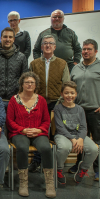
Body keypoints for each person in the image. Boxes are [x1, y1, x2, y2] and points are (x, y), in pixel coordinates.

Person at [70, 39, 100, 182]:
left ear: (95, 51)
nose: (86, 51)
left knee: (99, 141)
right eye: (84, 49)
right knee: (80, 140)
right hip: (79, 112)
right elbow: (70, 87)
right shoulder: (76, 68)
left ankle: (99, 170)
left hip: (97, 111)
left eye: (89, 49)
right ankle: (79, 164)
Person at [6, 72, 55, 198]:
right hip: (19, 133)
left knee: (45, 148)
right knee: (22, 148)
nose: (29, 84)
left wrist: (39, 130)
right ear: (21, 84)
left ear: (36, 85)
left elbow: (46, 120)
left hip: (38, 133)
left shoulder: (42, 100)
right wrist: (23, 130)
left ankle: (49, 183)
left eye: (32, 82)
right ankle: (23, 182)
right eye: (27, 82)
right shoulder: (14, 100)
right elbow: (10, 121)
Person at [28, 34, 70, 172]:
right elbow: (29, 83)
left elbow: (66, 85)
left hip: (56, 103)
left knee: (53, 134)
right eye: (45, 43)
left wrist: (61, 101)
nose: (47, 45)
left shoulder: (62, 63)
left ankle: (51, 163)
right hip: (38, 103)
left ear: (54, 47)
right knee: (39, 132)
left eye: (50, 43)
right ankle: (36, 161)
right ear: (41, 46)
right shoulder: (34, 63)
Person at [54, 81, 98, 185]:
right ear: (62, 94)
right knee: (64, 148)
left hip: (78, 136)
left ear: (76, 94)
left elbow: (83, 127)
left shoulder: (80, 109)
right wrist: (73, 139)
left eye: (72, 93)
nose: (69, 95)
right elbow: (60, 128)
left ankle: (83, 169)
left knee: (94, 149)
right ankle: (59, 169)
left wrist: (81, 139)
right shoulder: (58, 108)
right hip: (62, 135)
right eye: (66, 93)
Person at [0, 27, 28, 108]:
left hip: (15, 100)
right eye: (5, 37)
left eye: (10, 37)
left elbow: (24, 79)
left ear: (13, 39)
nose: (8, 39)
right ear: (1, 38)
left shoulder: (21, 57)